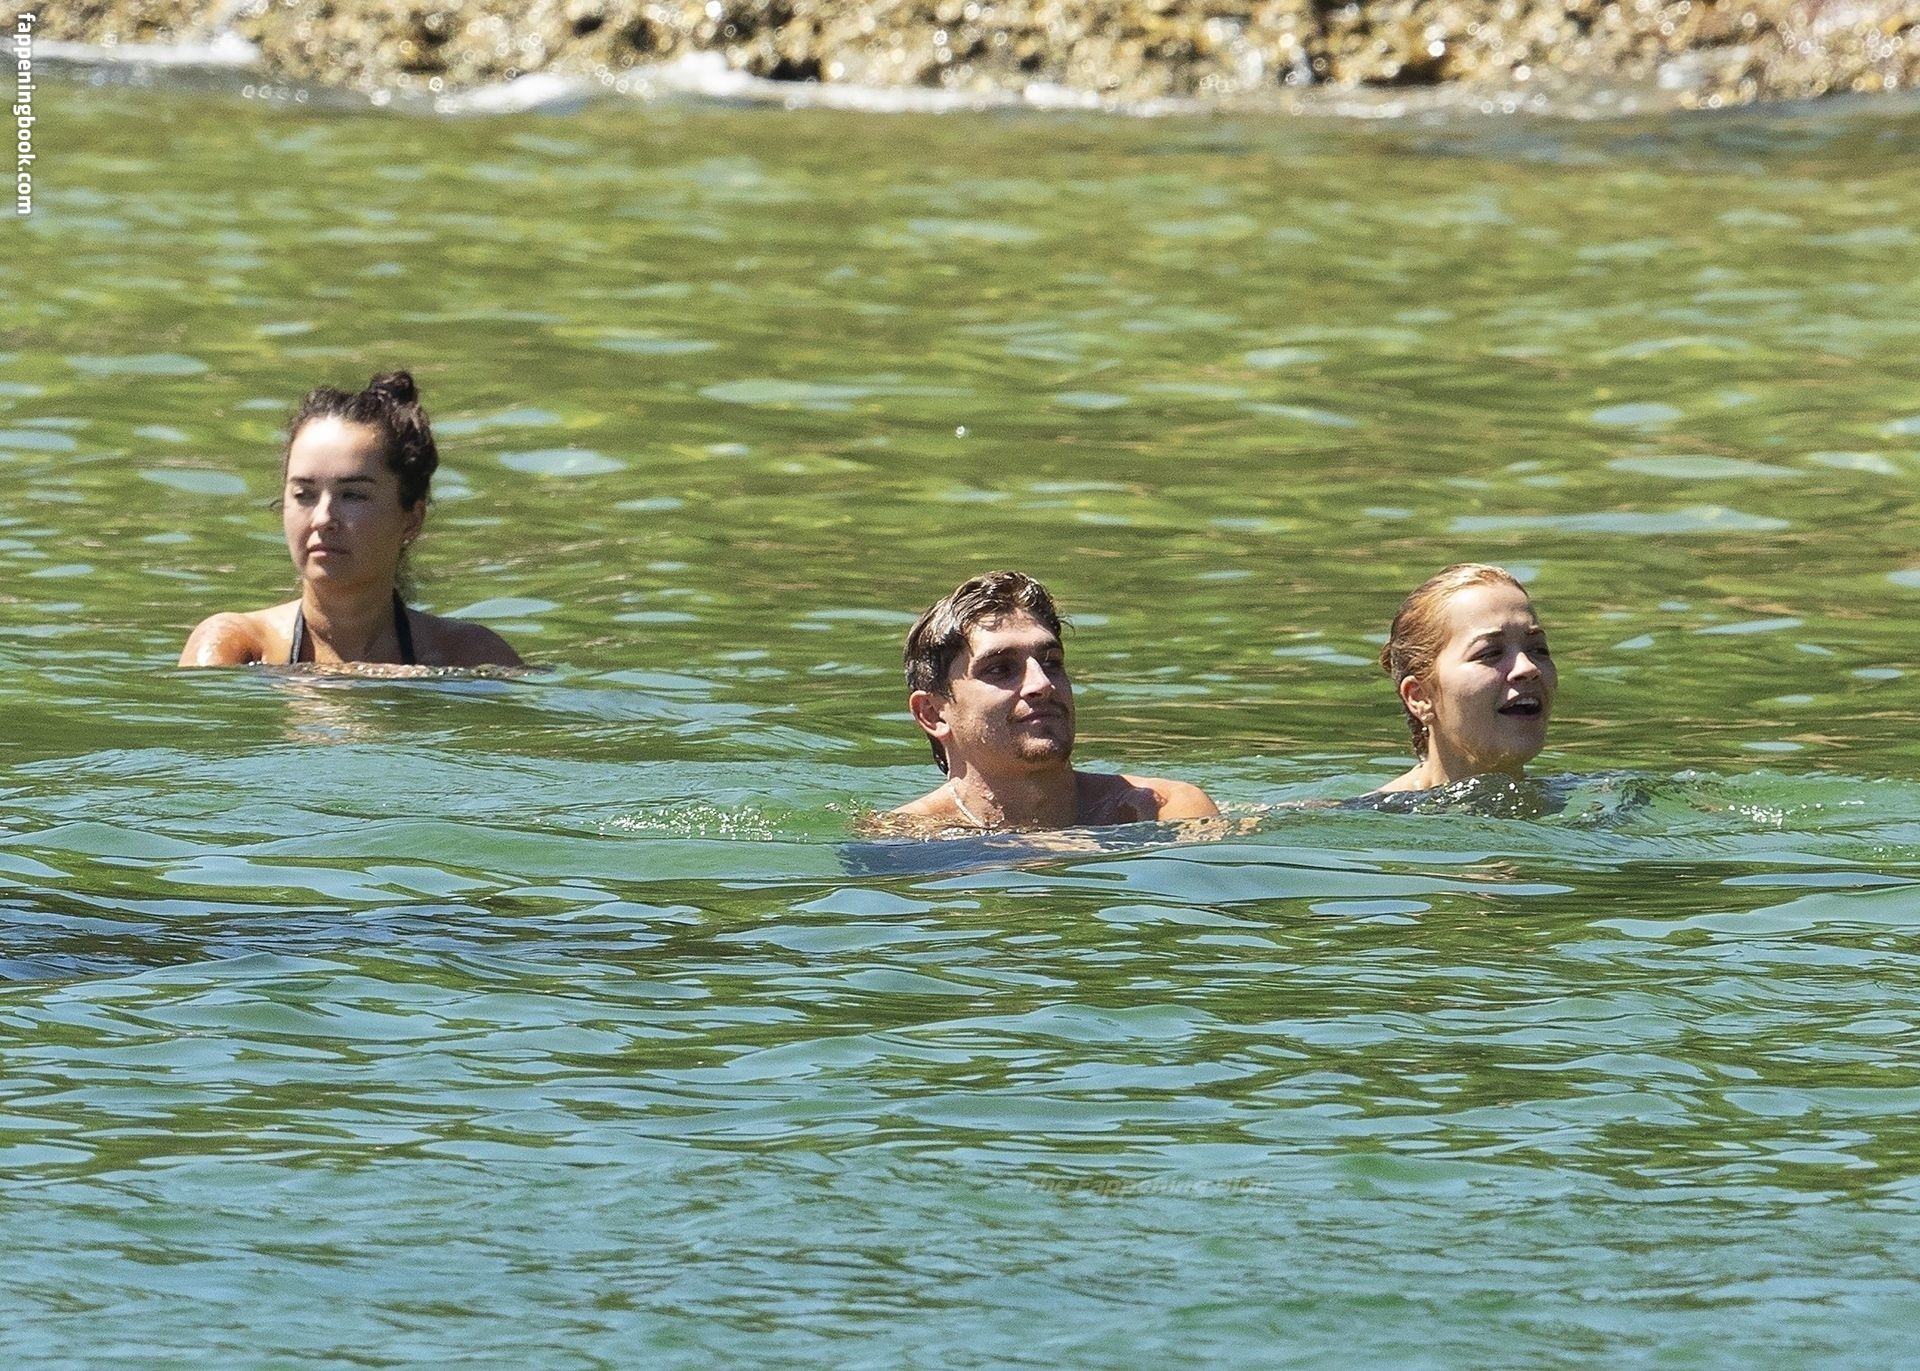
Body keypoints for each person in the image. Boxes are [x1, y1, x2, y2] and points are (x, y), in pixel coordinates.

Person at [179, 371, 521, 669]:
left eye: (353, 495)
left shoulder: (468, 656)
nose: (323, 519)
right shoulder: (236, 647)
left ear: (411, 520)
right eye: (304, 494)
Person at [887, 570, 1218, 831]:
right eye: (1000, 669)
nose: (1042, 683)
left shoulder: (1164, 811)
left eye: (1052, 662)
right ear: (933, 714)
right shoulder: (905, 840)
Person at [1374, 563, 1555, 793]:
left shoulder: (1589, 796)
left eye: (1538, 650)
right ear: (1420, 697)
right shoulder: (1364, 813)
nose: (1528, 667)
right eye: (1490, 653)